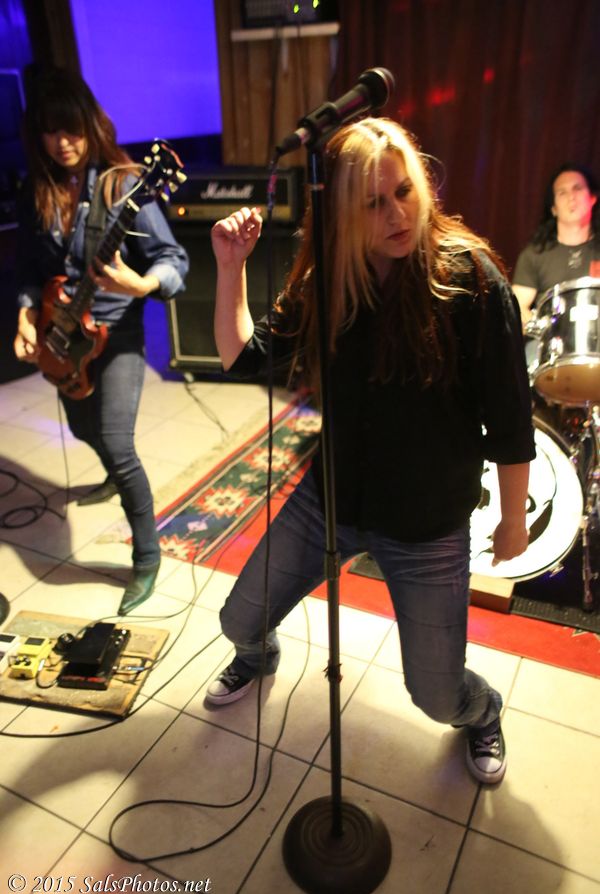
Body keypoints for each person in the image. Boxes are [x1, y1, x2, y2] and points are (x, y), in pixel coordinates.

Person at [204, 117, 535, 785]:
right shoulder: (331, 278)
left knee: (436, 696)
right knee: (237, 619)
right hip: (331, 500)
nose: (397, 215)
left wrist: (513, 517)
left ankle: (484, 710)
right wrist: (230, 266)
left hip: (426, 524)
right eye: (374, 203)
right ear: (344, 214)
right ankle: (258, 658)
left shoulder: (470, 280)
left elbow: (509, 416)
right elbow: (242, 356)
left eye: (404, 192)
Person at [13, 66, 188, 615]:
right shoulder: (37, 191)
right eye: (51, 132)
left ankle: (146, 556)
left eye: (72, 129)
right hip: (64, 332)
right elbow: (29, 270)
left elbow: (173, 259)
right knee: (80, 426)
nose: (63, 143)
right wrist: (25, 316)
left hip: (118, 331)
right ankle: (113, 477)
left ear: (90, 125)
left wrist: (142, 284)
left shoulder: (124, 184)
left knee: (115, 439)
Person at [512, 163, 599, 326]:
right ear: (553, 208)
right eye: (562, 192)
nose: (571, 197)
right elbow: (518, 307)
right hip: (552, 340)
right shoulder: (534, 255)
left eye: (577, 188)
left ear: (593, 198)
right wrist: (540, 329)